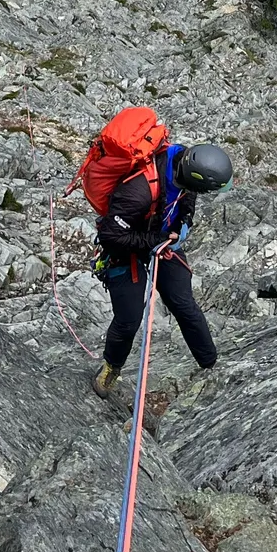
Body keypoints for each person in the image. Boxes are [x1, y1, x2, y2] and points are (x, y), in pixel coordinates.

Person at [90, 139, 233, 397]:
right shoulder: (139, 191)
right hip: (125, 249)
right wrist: (153, 241)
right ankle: (111, 367)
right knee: (129, 318)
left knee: (183, 304)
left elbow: (187, 199)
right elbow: (112, 235)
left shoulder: (183, 167)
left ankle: (211, 364)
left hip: (161, 240)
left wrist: (180, 226)